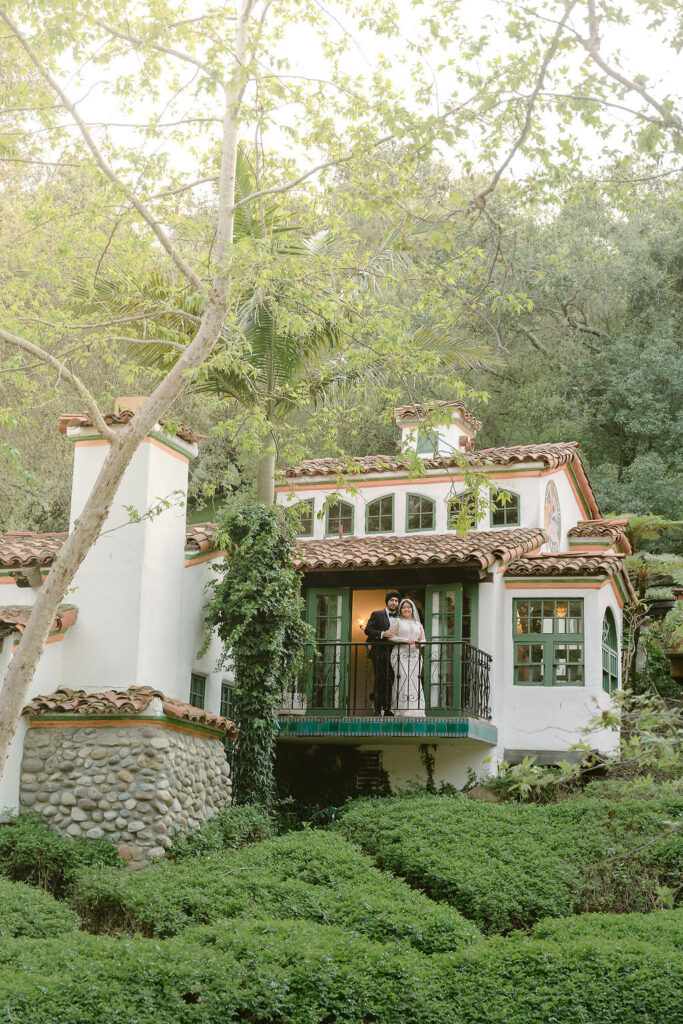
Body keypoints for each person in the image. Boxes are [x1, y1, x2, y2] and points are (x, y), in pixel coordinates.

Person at [386, 599, 426, 717]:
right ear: (400, 610)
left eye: (409, 607)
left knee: (414, 680)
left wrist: (420, 644)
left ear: (412, 609)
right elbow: (390, 637)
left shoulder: (418, 624)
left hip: (415, 655)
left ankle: (416, 710)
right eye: (404, 607)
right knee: (403, 678)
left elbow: (424, 639)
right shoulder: (398, 621)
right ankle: (401, 710)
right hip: (400, 654)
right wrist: (404, 640)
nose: (406, 609)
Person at [364, 590, 401, 716]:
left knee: (390, 680)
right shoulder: (377, 614)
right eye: (392, 600)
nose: (394, 603)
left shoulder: (400, 617)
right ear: (387, 602)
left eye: (396, 601)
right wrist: (382, 634)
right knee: (380, 679)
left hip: (394, 653)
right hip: (379, 652)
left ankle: (387, 708)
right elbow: (368, 630)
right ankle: (378, 708)